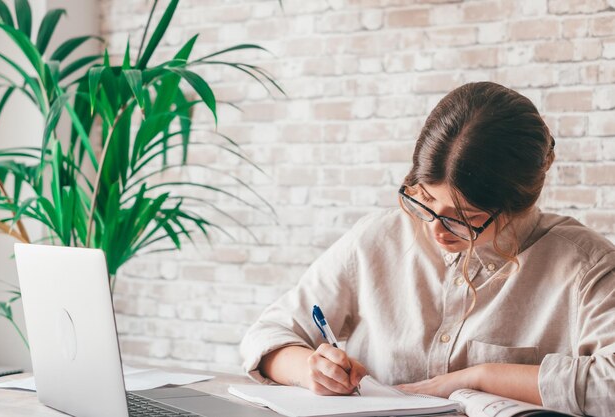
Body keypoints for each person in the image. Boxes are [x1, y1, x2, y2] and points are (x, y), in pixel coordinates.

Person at [239, 82, 615, 416]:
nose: (436, 228)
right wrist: (310, 369)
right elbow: (267, 335)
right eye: (424, 201)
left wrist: (479, 377)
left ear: (519, 204)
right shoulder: (380, 237)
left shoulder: (585, 266)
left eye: (465, 217)